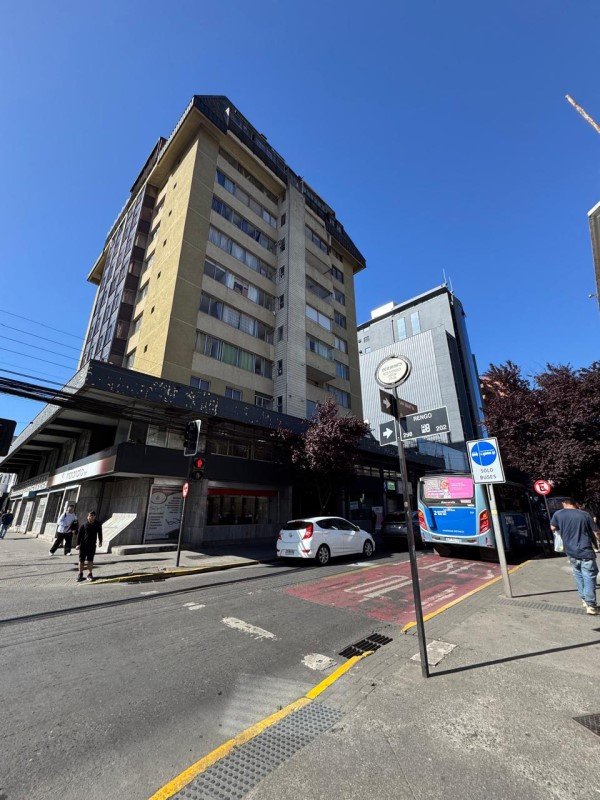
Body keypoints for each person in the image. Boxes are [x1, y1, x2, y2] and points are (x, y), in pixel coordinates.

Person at [550, 498, 598, 615]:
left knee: (578, 574)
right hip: (585, 550)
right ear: (575, 504)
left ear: (564, 503)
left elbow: (553, 528)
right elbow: (596, 532)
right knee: (589, 575)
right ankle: (591, 605)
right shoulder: (584, 514)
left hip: (570, 551)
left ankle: (584, 600)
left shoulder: (558, 514)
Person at [76, 511, 103, 582]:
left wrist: (100, 541)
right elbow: (79, 536)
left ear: (94, 517)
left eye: (92, 516)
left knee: (90, 560)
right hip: (83, 546)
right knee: (81, 560)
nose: (91, 517)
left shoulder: (97, 524)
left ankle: (89, 574)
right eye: (89, 516)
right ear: (87, 517)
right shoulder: (83, 525)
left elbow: (100, 533)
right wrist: (78, 544)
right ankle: (80, 574)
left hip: (92, 545)